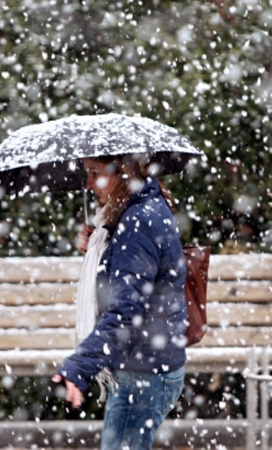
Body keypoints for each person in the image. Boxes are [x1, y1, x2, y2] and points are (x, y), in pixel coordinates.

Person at [51, 154, 188, 450]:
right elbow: (129, 284)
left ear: (122, 172)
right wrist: (102, 250)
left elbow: (126, 309)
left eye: (94, 172)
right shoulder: (138, 211)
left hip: (143, 371)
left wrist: (80, 365)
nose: (88, 183)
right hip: (146, 363)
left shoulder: (137, 222)